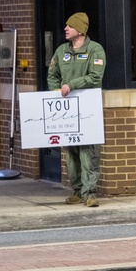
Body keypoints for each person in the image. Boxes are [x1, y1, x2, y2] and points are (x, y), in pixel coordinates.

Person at [48, 12, 106, 207]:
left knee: (88, 150)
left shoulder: (95, 50)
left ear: (80, 30)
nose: (65, 29)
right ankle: (77, 190)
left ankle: (89, 193)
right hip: (67, 109)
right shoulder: (61, 51)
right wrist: (56, 92)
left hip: (88, 107)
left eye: (69, 26)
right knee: (70, 151)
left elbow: (95, 77)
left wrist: (72, 84)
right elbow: (53, 75)